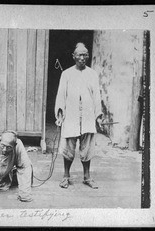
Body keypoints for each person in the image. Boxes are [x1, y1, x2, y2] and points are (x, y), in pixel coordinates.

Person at [55, 42, 103, 189]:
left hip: (87, 116)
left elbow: (96, 96)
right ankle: (66, 176)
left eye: (85, 55)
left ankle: (87, 177)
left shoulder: (92, 74)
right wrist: (60, 113)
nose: (82, 57)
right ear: (74, 56)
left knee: (87, 148)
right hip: (71, 115)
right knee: (68, 148)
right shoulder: (66, 74)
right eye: (80, 55)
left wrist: (98, 115)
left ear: (88, 56)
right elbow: (61, 95)